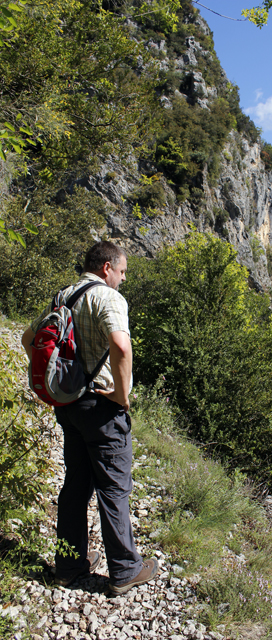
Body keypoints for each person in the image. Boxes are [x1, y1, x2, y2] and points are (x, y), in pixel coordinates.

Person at [21, 241, 158, 595]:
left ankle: (69, 565)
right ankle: (125, 570)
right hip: (101, 407)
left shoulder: (64, 295)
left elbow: (27, 338)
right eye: (123, 271)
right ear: (107, 267)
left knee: (76, 485)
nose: (124, 279)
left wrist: (62, 381)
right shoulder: (108, 298)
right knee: (113, 487)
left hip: (68, 406)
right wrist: (121, 396)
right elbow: (122, 346)